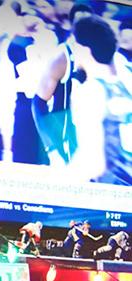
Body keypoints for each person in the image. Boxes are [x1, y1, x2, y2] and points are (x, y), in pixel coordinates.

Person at [69, 15, 132, 185]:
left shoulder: (90, 92)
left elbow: (95, 164)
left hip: (115, 195)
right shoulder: (127, 79)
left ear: (85, 50)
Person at [31, 2, 93, 166]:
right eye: (80, 22)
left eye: (88, 22)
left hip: (93, 142)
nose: (84, 27)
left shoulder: (100, 57)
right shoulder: (63, 56)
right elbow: (38, 103)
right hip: (66, 142)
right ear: (72, 26)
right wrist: (51, 147)